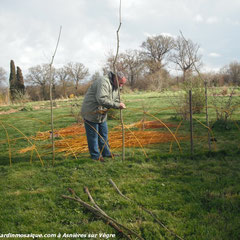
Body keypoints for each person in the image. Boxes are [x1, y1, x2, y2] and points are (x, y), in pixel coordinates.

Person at [81, 71, 127, 162]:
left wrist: (119, 103)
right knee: (93, 136)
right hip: (91, 112)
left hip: (102, 113)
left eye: (123, 84)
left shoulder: (116, 86)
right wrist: (117, 105)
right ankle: (95, 156)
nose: (121, 86)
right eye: (121, 83)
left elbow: (116, 98)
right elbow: (101, 99)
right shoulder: (103, 82)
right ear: (115, 79)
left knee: (104, 134)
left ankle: (106, 153)